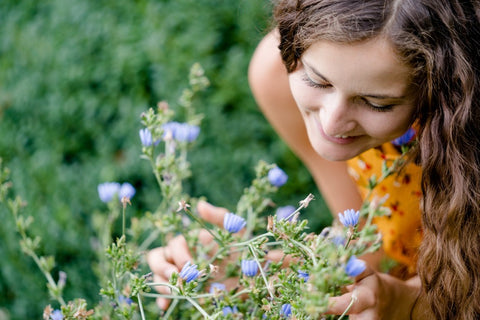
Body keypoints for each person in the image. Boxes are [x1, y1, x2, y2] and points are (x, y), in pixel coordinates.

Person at [148, 0, 480, 319]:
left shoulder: (465, 127)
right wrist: (255, 268)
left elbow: (467, 296)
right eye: (316, 80)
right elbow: (366, 247)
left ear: (439, 91)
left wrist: (402, 303)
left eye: (377, 103)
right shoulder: (276, 74)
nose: (332, 123)